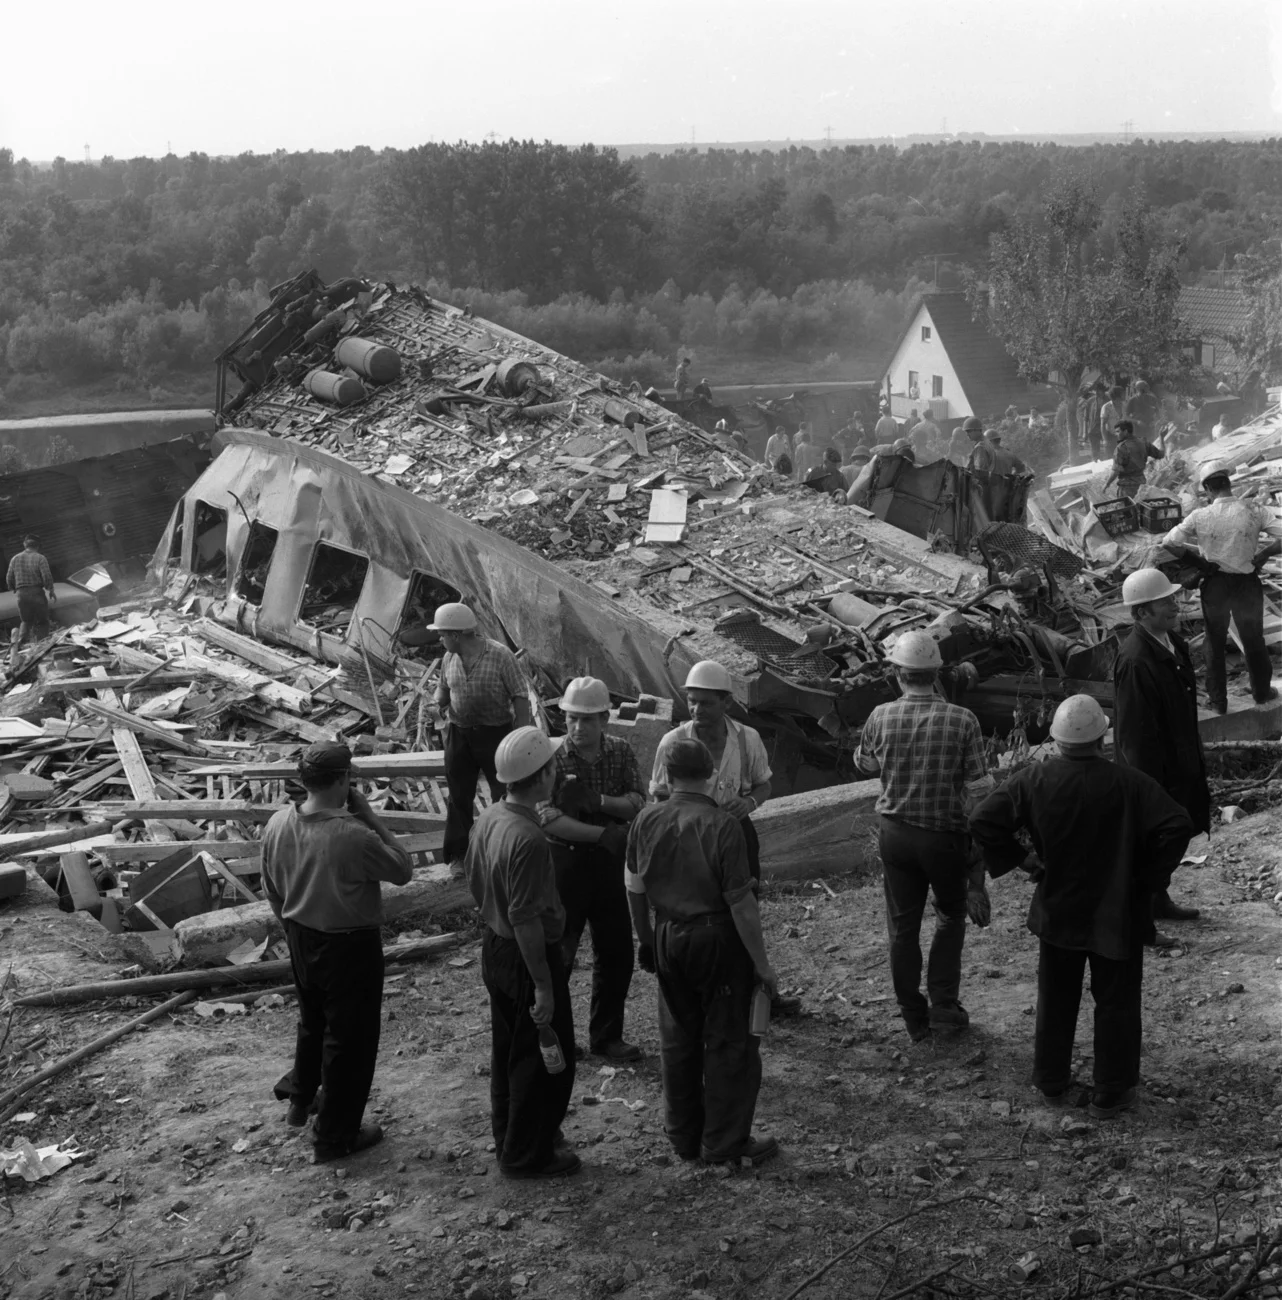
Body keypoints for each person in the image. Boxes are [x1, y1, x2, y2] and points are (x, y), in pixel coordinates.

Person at [969, 696, 1193, 1119]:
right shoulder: (1131, 783)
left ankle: (1051, 1081)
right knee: (1117, 1001)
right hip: (1117, 912)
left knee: (1056, 997)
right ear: (1102, 737)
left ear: (1055, 740)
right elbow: (1176, 824)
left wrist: (1023, 860)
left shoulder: (1033, 780)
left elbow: (983, 819)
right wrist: (1145, 878)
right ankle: (1113, 1090)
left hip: (1059, 910)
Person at [626, 737, 780, 1166]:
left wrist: (646, 939)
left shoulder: (644, 820)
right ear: (710, 772)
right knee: (730, 1040)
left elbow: (634, 888)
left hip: (668, 934)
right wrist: (762, 965)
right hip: (716, 938)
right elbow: (740, 903)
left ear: (668, 775)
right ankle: (725, 1140)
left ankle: (682, 1134)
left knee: (678, 1037)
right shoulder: (721, 825)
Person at [261, 742, 413, 1162]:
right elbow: (402, 870)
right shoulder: (353, 835)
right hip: (349, 946)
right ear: (345, 781)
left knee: (313, 1022)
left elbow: (271, 891)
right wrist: (370, 816)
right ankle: (335, 1136)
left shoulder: (277, 825)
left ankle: (300, 1100)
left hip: (299, 934)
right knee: (350, 1042)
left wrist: (295, 924)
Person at [854, 630, 992, 1041]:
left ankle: (913, 1016)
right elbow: (980, 787)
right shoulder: (963, 719)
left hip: (895, 835)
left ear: (898, 673)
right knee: (950, 916)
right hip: (944, 836)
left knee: (903, 925)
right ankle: (944, 1005)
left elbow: (865, 765)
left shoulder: (880, 716)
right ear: (936, 673)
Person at [649, 661, 799, 1015]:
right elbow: (658, 795)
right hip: (688, 840)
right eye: (692, 701)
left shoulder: (747, 739)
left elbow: (764, 784)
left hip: (736, 835)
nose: (697, 709)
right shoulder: (673, 742)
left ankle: (756, 991)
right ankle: (709, 994)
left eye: (706, 702)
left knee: (744, 912)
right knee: (700, 918)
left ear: (726, 703)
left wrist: (747, 803)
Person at [467, 726, 581, 1179]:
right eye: (553, 766)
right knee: (541, 1059)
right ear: (542, 775)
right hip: (523, 954)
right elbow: (526, 920)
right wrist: (543, 985)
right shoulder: (529, 839)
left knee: (509, 1051)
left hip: (494, 948)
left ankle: (510, 1138)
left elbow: (477, 883)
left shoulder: (490, 818)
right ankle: (528, 1154)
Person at [540, 677, 646, 1062]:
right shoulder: (551, 758)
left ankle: (606, 1036)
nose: (577, 728)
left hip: (608, 863)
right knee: (560, 952)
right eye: (571, 719)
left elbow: (637, 800)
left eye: (587, 720)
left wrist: (597, 799)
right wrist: (600, 831)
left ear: (604, 720)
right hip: (566, 862)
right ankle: (559, 1038)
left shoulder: (619, 751)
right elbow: (545, 816)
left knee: (615, 950)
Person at [1112, 568, 1209, 938]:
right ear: (1141, 613)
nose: (1174, 606)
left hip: (1179, 761)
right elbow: (1134, 737)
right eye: (1165, 602)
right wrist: (1147, 790)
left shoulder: (1171, 643)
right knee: (1154, 841)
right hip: (1155, 773)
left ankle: (1158, 899)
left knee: (1177, 833)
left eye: (1172, 599)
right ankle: (1139, 919)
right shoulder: (1137, 661)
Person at [1161, 462, 1282, 711]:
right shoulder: (1254, 510)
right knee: (1253, 640)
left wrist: (1200, 564)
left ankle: (1218, 702)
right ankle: (1261, 693)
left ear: (1207, 489)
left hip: (1215, 584)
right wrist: (1265, 554)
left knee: (1214, 642)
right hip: (1247, 584)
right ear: (1228, 483)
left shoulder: (1200, 516)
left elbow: (1169, 543)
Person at [432, 603, 532, 872]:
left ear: (455, 635)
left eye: (442, 635)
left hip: (495, 734)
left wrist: (521, 737)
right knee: (458, 794)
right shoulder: (449, 659)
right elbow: (443, 691)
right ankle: (459, 855)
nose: (440, 640)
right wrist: (435, 704)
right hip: (459, 733)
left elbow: (520, 696)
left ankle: (502, 850)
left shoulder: (500, 656)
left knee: (504, 793)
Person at [7, 535, 56, 647]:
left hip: (21, 594)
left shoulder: (15, 558)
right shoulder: (40, 558)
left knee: (26, 621)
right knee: (42, 622)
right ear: (38, 546)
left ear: (25, 545)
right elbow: (46, 576)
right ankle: (41, 645)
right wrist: (50, 589)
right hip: (36, 592)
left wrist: (13, 588)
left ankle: (20, 643)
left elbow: (9, 577)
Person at [1104, 419, 1164, 499]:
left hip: (1126, 489)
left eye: (1118, 432)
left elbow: (1116, 471)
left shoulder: (1121, 448)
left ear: (1125, 431)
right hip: (1141, 488)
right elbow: (1161, 454)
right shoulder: (1144, 443)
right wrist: (1161, 438)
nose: (1116, 434)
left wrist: (1106, 484)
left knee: (1126, 510)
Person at [1099, 386, 1124, 456]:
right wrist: (1105, 440)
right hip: (1111, 437)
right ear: (1117, 395)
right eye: (1122, 393)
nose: (1124, 395)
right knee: (1110, 460)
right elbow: (1103, 424)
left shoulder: (1124, 405)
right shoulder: (1106, 407)